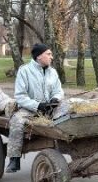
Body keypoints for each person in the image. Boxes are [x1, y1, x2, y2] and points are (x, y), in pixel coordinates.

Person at [6, 43, 64, 173]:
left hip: (50, 108)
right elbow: (20, 96)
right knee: (17, 122)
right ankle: (14, 158)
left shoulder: (52, 72)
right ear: (39, 56)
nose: (51, 57)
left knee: (69, 114)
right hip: (29, 109)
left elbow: (58, 91)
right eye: (48, 54)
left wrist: (55, 99)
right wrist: (37, 105)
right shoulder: (24, 71)